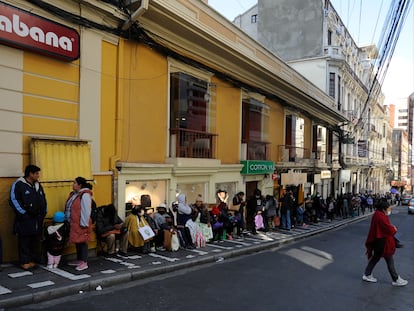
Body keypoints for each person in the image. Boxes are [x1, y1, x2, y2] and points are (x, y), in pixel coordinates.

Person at [9, 164, 47, 270]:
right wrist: (23, 213)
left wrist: (44, 211)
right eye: (36, 173)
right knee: (24, 240)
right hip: (25, 219)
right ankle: (25, 261)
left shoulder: (37, 185)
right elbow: (13, 200)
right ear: (30, 174)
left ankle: (33, 260)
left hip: (37, 218)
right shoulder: (19, 184)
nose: (38, 176)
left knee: (34, 240)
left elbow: (43, 198)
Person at [362, 200, 408, 286]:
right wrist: (394, 228)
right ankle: (396, 279)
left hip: (379, 242)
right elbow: (387, 229)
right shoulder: (380, 216)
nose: (389, 210)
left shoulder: (378, 214)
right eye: (388, 208)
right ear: (384, 209)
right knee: (389, 259)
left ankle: (367, 274)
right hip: (382, 243)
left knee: (376, 258)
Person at [64, 177, 93, 271]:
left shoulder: (84, 195)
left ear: (80, 185)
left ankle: (84, 262)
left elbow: (86, 210)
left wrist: (84, 223)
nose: (73, 184)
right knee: (77, 240)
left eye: (75, 183)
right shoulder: (74, 194)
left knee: (83, 241)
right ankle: (79, 259)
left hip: (80, 222)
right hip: (74, 222)